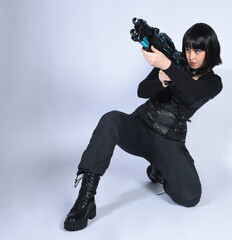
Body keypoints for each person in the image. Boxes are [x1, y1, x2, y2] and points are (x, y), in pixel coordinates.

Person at [64, 22, 223, 231]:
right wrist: (161, 79)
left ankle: (159, 171)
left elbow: (192, 90)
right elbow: (142, 91)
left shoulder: (214, 82)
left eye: (198, 50)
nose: (191, 56)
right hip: (141, 127)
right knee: (110, 119)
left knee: (191, 196)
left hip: (169, 141)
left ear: (209, 50)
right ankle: (85, 200)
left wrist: (168, 66)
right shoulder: (174, 60)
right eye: (188, 49)